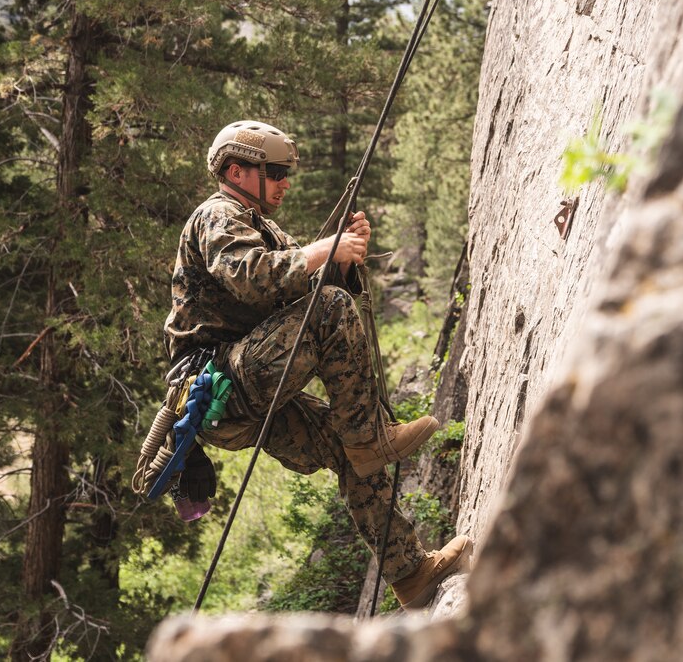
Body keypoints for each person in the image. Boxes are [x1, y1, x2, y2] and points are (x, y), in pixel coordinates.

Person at [163, 119, 471, 608]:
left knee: (348, 448)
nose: (286, 182)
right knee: (330, 311)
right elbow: (252, 278)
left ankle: (411, 574)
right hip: (221, 382)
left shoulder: (261, 225)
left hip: (238, 393)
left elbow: (294, 289)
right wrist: (323, 251)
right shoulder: (217, 215)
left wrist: (342, 262)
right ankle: (370, 434)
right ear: (238, 171)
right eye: (277, 171)